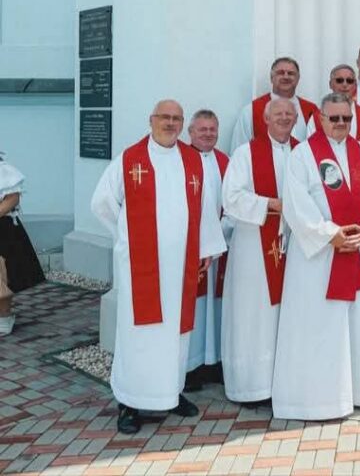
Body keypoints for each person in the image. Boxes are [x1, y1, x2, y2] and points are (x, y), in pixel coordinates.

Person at [91, 100, 227, 434]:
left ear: (182, 124)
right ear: (151, 120)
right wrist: (127, 238)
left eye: (176, 118)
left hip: (180, 266)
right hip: (142, 267)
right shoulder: (129, 159)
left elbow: (205, 206)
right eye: (164, 117)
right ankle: (129, 402)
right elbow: (102, 203)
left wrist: (206, 247)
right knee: (139, 334)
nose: (170, 123)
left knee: (176, 334)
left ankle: (171, 393)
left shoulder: (191, 160)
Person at [272, 93, 360, 420]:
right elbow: (296, 204)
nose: (340, 124)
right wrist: (329, 234)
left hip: (357, 251)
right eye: (334, 118)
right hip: (318, 261)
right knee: (319, 327)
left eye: (346, 118)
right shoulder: (302, 155)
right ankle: (317, 401)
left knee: (359, 325)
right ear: (321, 119)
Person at [220, 98, 297, 405]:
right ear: (265, 119)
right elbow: (231, 197)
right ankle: (251, 386)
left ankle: (285, 381)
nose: (284, 118)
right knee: (253, 313)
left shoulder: (302, 152)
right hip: (253, 247)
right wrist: (270, 205)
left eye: (289, 114)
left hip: (294, 244)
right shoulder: (245, 154)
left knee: (289, 311)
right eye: (278, 113)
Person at [184, 110, 230, 392]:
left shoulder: (225, 161)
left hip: (220, 248)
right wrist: (202, 242)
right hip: (193, 249)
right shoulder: (181, 160)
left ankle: (214, 362)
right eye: (202, 129)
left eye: (212, 129)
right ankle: (191, 367)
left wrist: (219, 236)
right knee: (196, 308)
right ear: (190, 132)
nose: (208, 134)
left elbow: (232, 201)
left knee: (217, 306)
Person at [0, 153, 45, 336]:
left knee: (3, 274)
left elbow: (12, 198)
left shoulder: (2, 169)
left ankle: (4, 317)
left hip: (2, 229)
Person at [231, 57, 318, 149]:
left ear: (298, 78)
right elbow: (238, 149)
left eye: (291, 73)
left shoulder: (311, 110)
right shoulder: (251, 111)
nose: (286, 77)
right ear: (271, 78)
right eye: (280, 73)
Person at [307, 64, 360, 142]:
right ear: (330, 84)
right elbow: (310, 147)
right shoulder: (317, 118)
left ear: (355, 85)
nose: (344, 84)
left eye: (349, 81)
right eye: (339, 80)